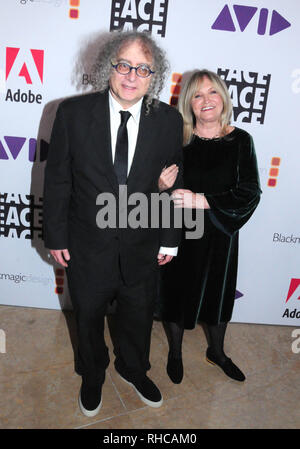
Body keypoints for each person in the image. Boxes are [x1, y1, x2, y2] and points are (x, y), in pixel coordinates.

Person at [43, 31, 183, 416]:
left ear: (154, 76)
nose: (131, 75)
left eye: (142, 68)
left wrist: (170, 239)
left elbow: (174, 183)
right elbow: (58, 181)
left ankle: (134, 368)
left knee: (138, 316)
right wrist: (55, 235)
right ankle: (92, 373)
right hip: (87, 245)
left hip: (143, 245)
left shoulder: (169, 121)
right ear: (110, 66)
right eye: (124, 64)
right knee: (87, 316)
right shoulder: (72, 114)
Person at [159, 69, 261, 384]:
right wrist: (160, 186)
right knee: (175, 296)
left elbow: (249, 192)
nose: (206, 101)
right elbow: (158, 192)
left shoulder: (240, 140)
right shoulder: (178, 141)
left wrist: (202, 200)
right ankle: (174, 352)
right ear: (188, 103)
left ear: (223, 98)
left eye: (212, 92)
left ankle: (217, 352)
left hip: (220, 235)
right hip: (181, 233)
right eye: (198, 95)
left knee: (218, 297)